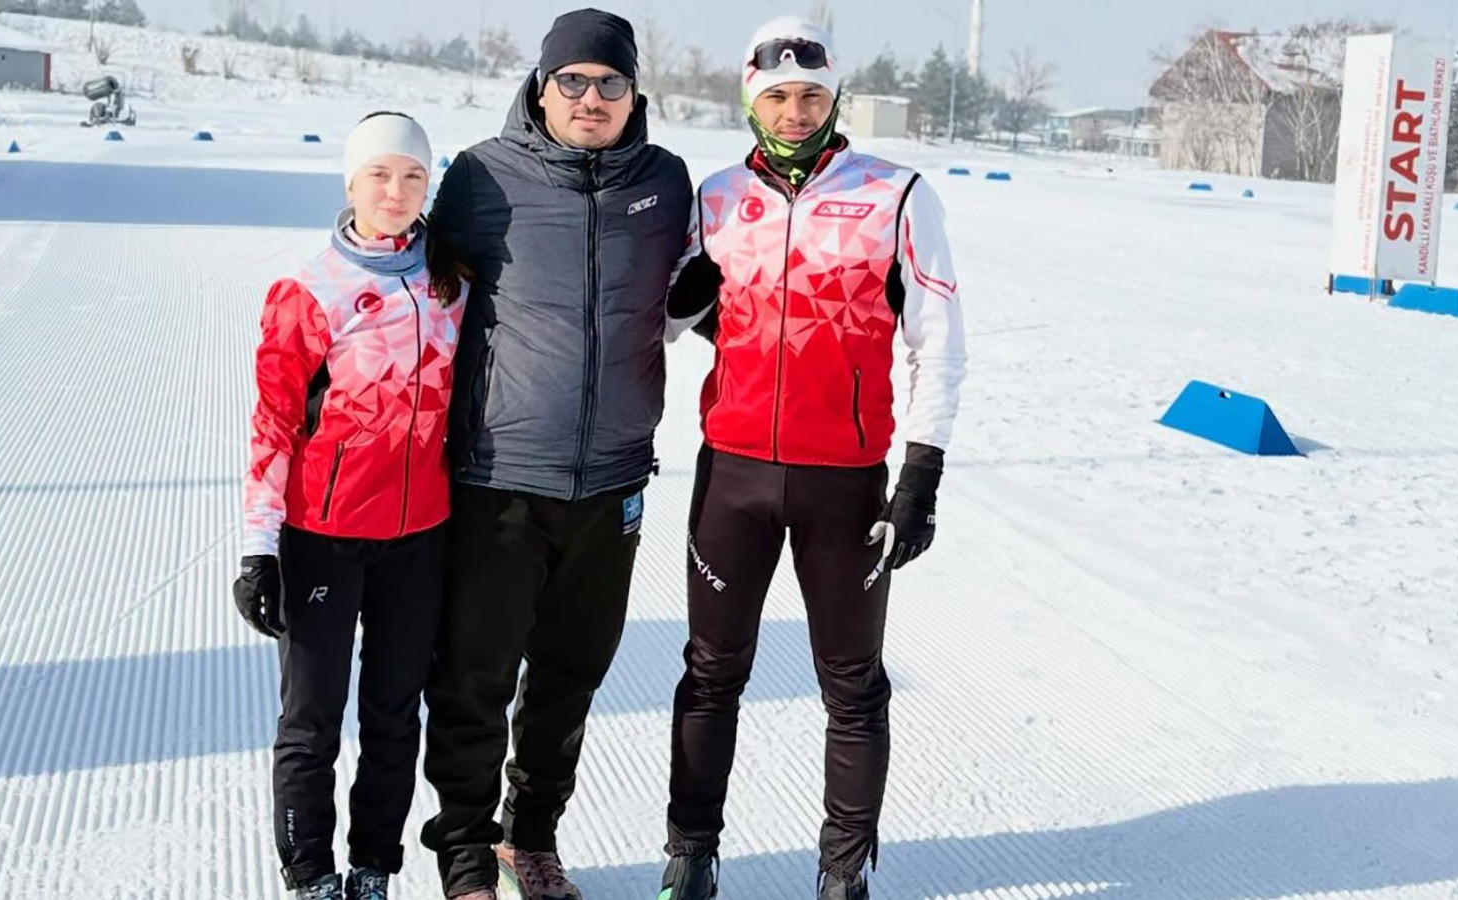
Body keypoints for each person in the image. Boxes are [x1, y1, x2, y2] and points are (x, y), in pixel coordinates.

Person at [656, 17, 968, 900]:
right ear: (751, 101)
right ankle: (690, 854)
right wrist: (684, 302)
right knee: (711, 672)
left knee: (853, 684)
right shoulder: (714, 197)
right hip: (735, 475)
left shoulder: (898, 194)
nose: (795, 113)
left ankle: (842, 872)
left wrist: (921, 476)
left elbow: (939, 344)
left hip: (846, 483)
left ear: (835, 99)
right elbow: (665, 327)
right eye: (778, 97)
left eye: (812, 97)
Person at [417, 9, 693, 900]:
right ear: (541, 86)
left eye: (610, 82)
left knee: (572, 672)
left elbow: (695, 302)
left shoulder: (666, 183)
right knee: (475, 675)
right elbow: (417, 295)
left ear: (634, 93)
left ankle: (529, 837)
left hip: (613, 477)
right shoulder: (480, 178)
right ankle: (465, 852)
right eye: (571, 80)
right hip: (498, 474)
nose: (590, 97)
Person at [233, 111, 466, 900]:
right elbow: (271, 424)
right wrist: (259, 546)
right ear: (350, 182)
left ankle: (373, 869)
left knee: (397, 717)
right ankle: (310, 877)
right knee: (313, 721)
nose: (396, 192)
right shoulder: (309, 290)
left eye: (412, 176)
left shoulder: (450, 281)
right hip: (323, 536)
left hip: (422, 537)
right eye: (380, 174)